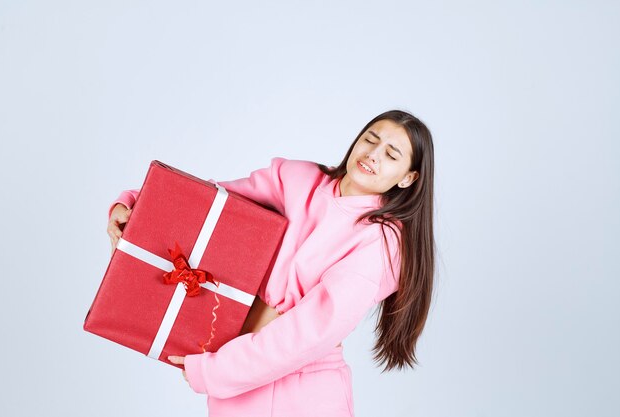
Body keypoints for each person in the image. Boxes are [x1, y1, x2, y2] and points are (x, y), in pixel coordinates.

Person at [106, 109, 435, 417]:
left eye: (392, 155)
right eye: (370, 139)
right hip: (236, 387)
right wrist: (134, 206)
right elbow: (209, 202)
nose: (373, 155)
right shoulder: (295, 180)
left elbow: (309, 332)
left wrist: (216, 370)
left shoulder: (383, 242)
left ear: (407, 178)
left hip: (304, 391)